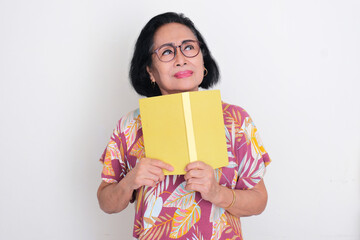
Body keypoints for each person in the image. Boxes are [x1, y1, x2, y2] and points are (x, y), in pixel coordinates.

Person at [97, 12, 271, 240]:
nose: (181, 59)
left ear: (202, 59)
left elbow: (259, 201)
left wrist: (218, 193)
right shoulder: (130, 125)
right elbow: (106, 203)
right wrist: (130, 182)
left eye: (189, 47)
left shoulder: (235, 120)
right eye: (167, 51)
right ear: (149, 70)